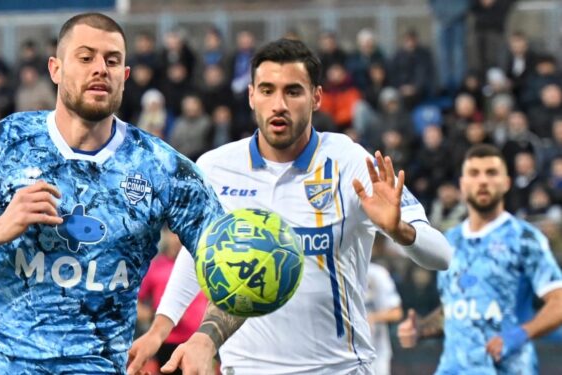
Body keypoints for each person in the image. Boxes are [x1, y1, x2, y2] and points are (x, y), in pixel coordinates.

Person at [0, 13, 224, 374]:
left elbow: (237, 262)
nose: (100, 68)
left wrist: (207, 337)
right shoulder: (4, 144)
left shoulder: (162, 168)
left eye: (112, 60)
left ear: (125, 76)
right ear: (55, 69)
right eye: (85, 58)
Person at [127, 38, 452, 375]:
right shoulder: (215, 167)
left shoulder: (350, 161)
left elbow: (442, 255)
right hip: (246, 369)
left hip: (339, 369)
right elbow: (199, 256)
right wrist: (160, 328)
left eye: (293, 91)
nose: (278, 104)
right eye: (267, 90)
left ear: (316, 97)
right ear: (251, 95)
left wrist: (401, 231)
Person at [396, 144, 562, 374]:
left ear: (506, 182)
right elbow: (456, 308)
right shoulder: (449, 241)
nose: (482, 181)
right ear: (463, 185)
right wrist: (421, 329)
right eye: (474, 173)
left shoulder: (524, 239)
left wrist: (521, 333)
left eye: (491, 173)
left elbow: (559, 302)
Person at [137, 228, 209, 375]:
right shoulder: (154, 267)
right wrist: (155, 317)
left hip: (200, 341)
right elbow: (134, 304)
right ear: (166, 235)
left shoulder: (206, 263)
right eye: (174, 233)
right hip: (168, 342)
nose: (178, 238)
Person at [365, 263, 403, 375]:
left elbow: (396, 312)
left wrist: (371, 318)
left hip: (376, 353)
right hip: (341, 354)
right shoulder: (329, 271)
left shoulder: (376, 273)